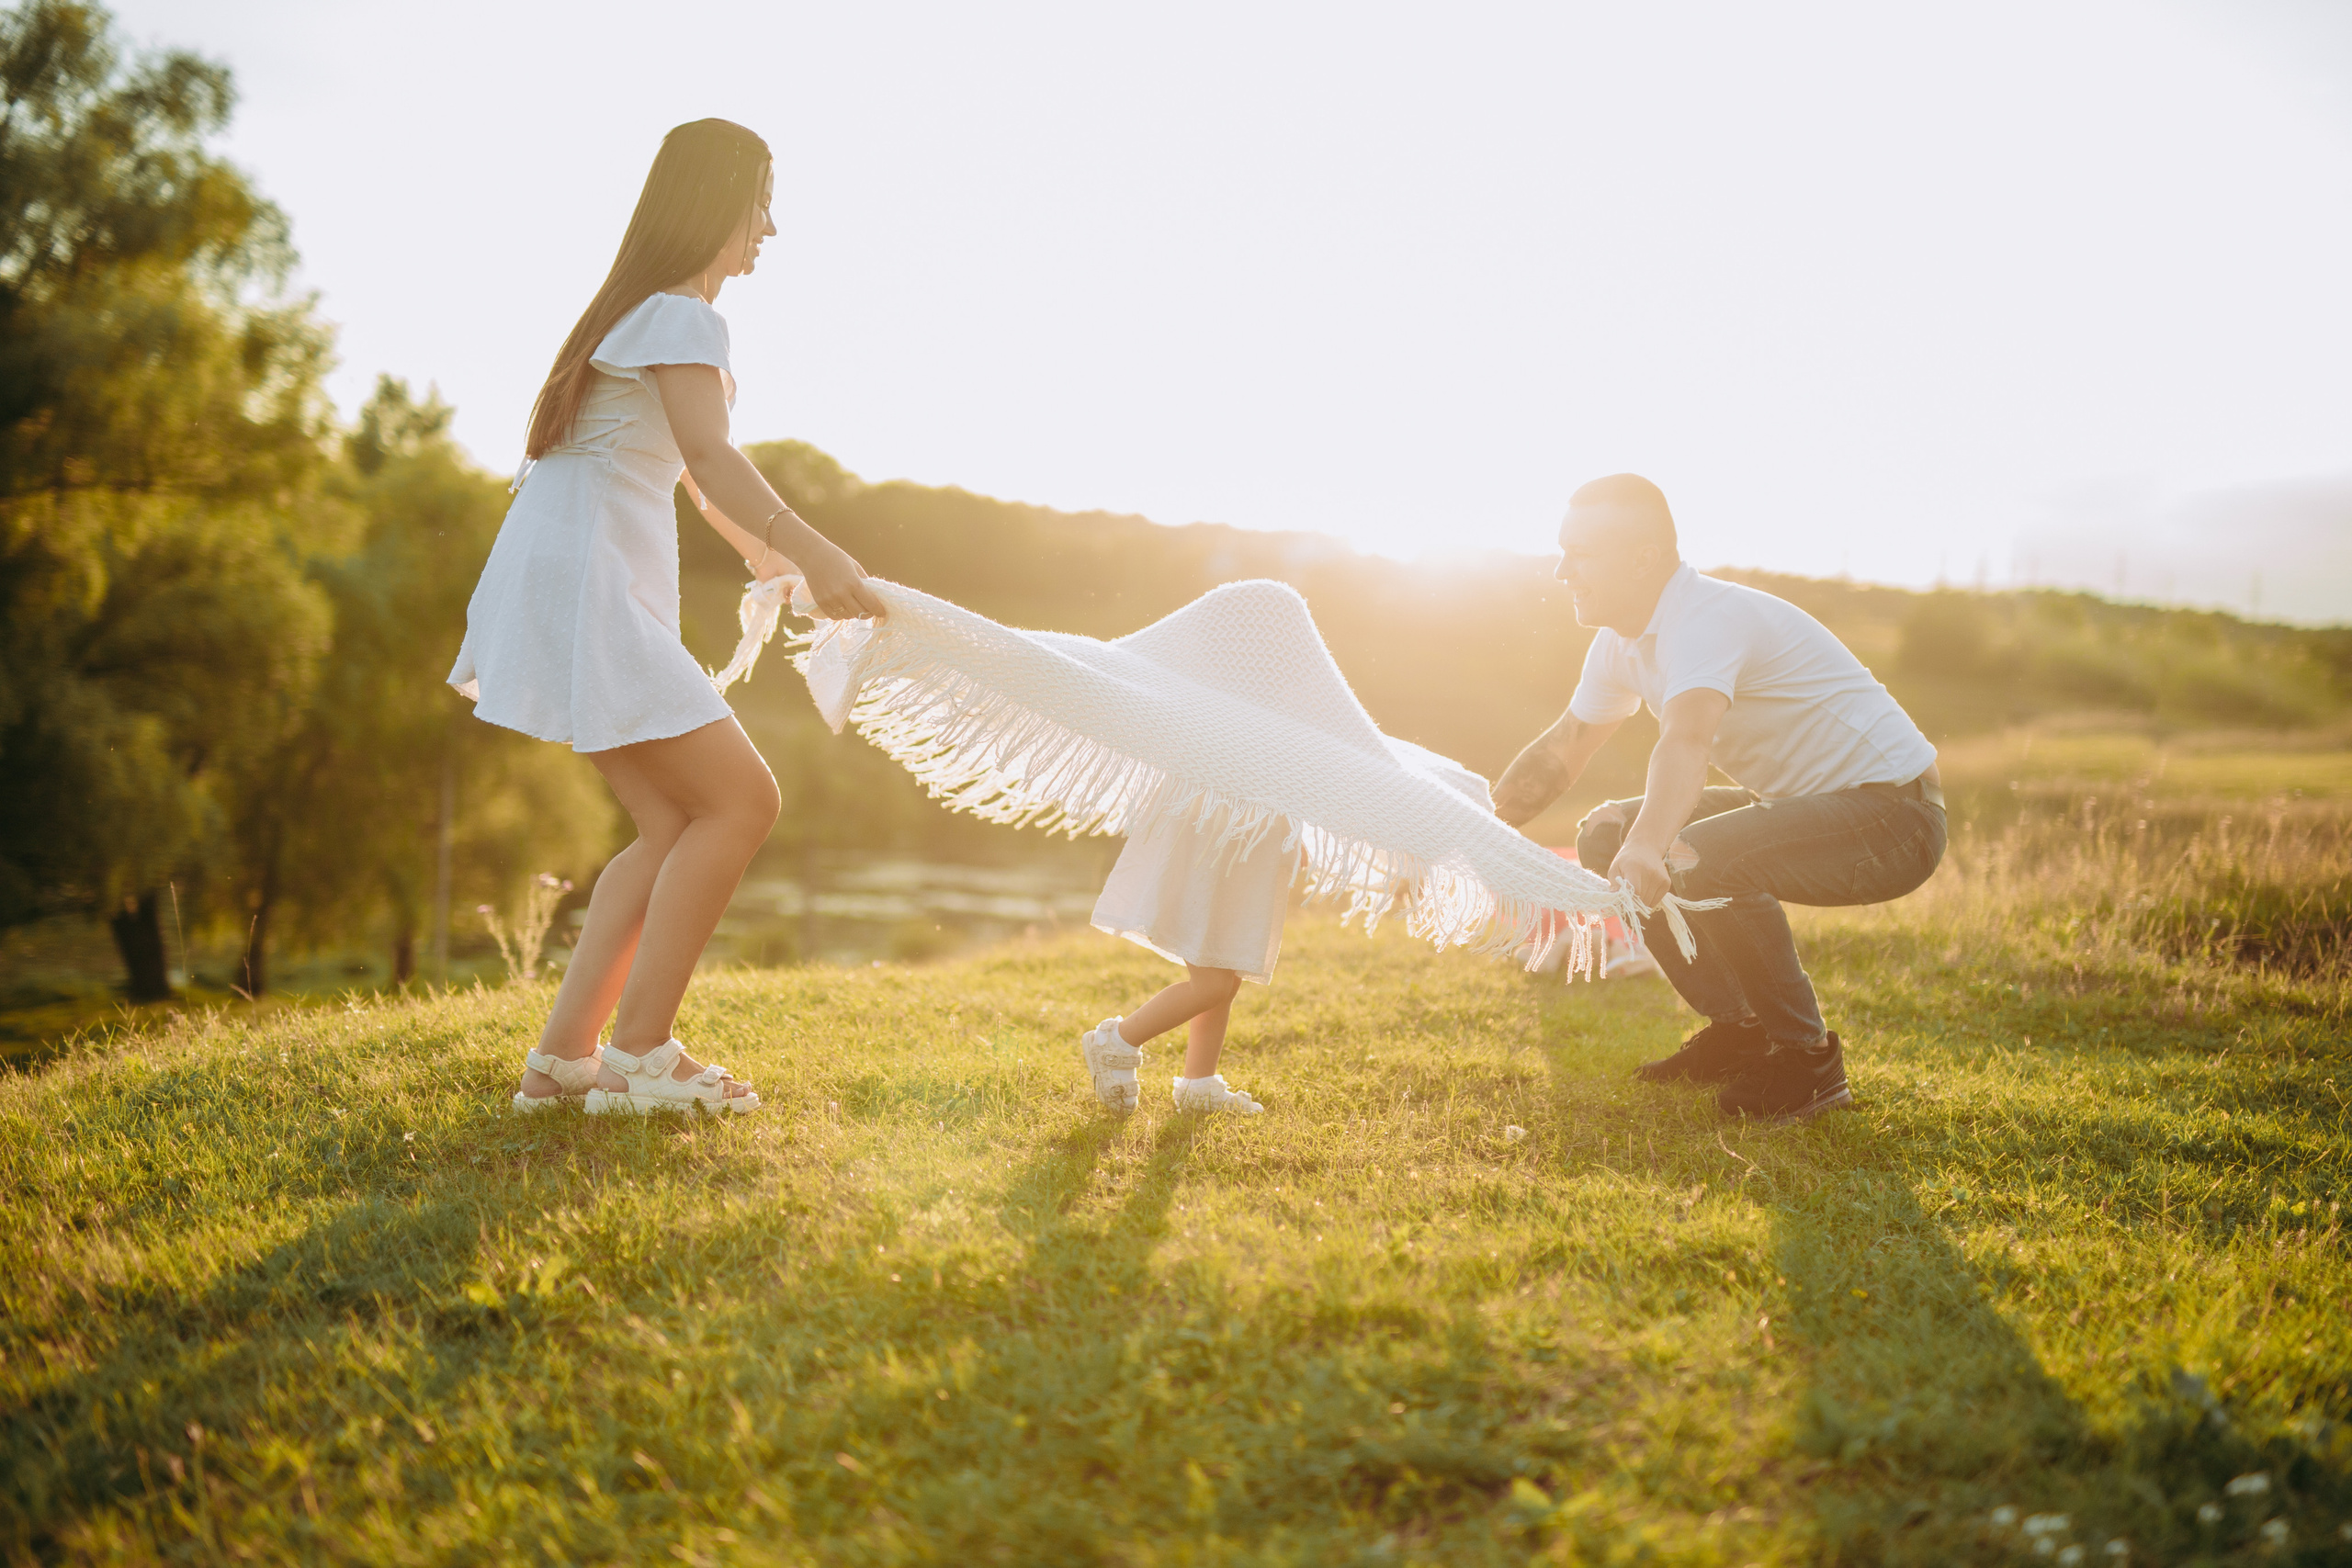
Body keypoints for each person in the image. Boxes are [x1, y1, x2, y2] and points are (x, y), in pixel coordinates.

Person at [448, 118, 886, 1117]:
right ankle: (642, 1052)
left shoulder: (638, 312)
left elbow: (686, 475)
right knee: (743, 802)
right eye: (760, 201)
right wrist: (815, 548)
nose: (770, 227)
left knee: (668, 820)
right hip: (589, 586)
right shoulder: (684, 317)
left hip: (556, 578)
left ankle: (566, 1062)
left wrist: (766, 560)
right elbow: (716, 456)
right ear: (715, 202)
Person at [1492, 474, 1946, 1122]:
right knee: (1604, 833)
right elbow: (1565, 747)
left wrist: (1651, 845)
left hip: (1895, 816)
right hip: (1809, 805)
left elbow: (1687, 741)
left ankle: (1807, 1060)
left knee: (1689, 852)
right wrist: (1475, 828)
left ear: (1643, 557)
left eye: (1582, 552)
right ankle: (1742, 1033)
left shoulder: (1704, 620)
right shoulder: (1619, 643)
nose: (1563, 569)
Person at [1077, 810, 1297, 1116]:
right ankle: (1118, 1040)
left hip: (1254, 839)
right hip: (1212, 831)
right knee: (1211, 986)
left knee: (1228, 973)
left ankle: (1199, 1083)